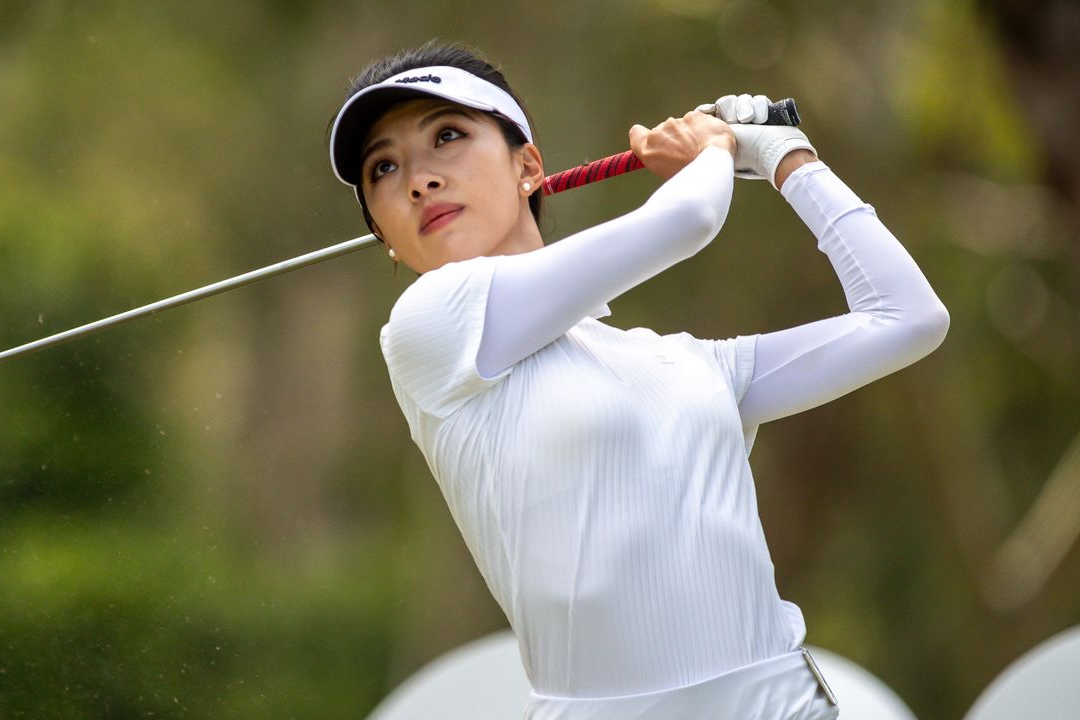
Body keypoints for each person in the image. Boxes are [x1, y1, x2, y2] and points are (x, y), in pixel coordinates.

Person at [328, 42, 949, 720]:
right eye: (384, 168)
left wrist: (788, 160)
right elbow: (688, 219)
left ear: (529, 167)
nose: (418, 179)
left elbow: (909, 319)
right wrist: (713, 148)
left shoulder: (689, 365)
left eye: (447, 136)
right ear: (385, 235)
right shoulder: (427, 327)